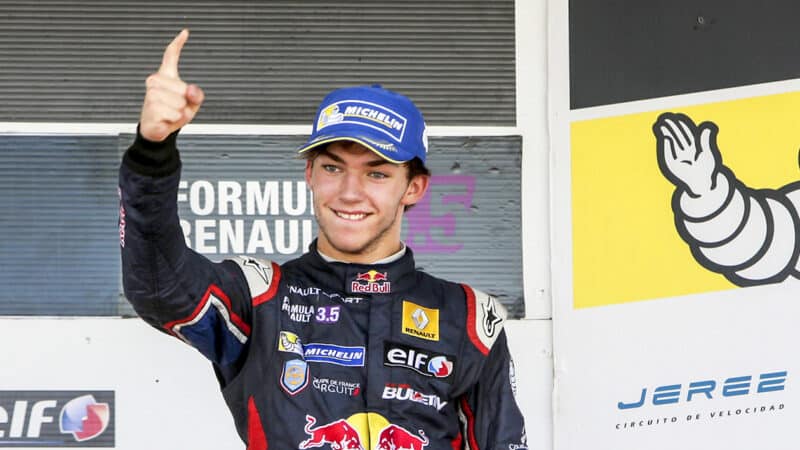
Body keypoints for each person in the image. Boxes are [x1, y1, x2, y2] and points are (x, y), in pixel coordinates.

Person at [119, 29, 528, 450]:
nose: (350, 192)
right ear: (309, 175)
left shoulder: (469, 318)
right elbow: (159, 289)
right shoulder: (260, 297)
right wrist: (153, 151)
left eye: (376, 173)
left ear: (413, 189)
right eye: (333, 168)